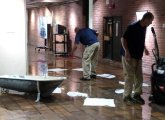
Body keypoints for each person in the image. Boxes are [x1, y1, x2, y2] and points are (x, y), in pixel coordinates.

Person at [120, 12, 154, 105]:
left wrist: (145, 48)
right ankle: (127, 96)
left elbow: (140, 40)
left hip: (138, 56)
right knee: (129, 76)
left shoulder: (144, 28)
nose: (151, 23)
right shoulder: (132, 27)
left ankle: (137, 94)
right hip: (129, 56)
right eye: (151, 20)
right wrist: (126, 51)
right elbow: (123, 39)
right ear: (146, 19)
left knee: (139, 76)